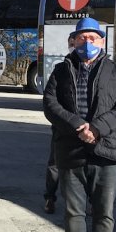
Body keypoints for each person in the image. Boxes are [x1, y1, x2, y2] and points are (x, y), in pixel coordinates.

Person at [42, 17, 116, 232]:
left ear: (102, 41)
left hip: (106, 152)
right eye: (82, 38)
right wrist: (77, 126)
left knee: (104, 212)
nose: (87, 43)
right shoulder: (61, 70)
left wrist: (96, 128)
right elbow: (50, 104)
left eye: (92, 38)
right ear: (74, 41)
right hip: (71, 149)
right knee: (74, 212)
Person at [44, 34, 77, 214]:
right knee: (55, 165)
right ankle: (50, 197)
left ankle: (87, 201)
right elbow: (50, 100)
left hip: (87, 129)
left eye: (75, 43)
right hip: (62, 127)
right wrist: (64, 120)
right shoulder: (61, 69)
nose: (73, 46)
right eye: (71, 44)